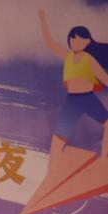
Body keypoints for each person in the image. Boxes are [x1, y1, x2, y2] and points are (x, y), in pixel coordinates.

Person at [38, 9, 108, 158]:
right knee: (60, 133)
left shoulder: (89, 59)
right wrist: (42, 19)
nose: (74, 42)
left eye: (78, 39)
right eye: (72, 39)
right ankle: (55, 160)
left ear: (87, 41)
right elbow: (49, 42)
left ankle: (104, 158)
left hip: (88, 99)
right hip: (73, 100)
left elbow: (104, 77)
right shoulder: (68, 56)